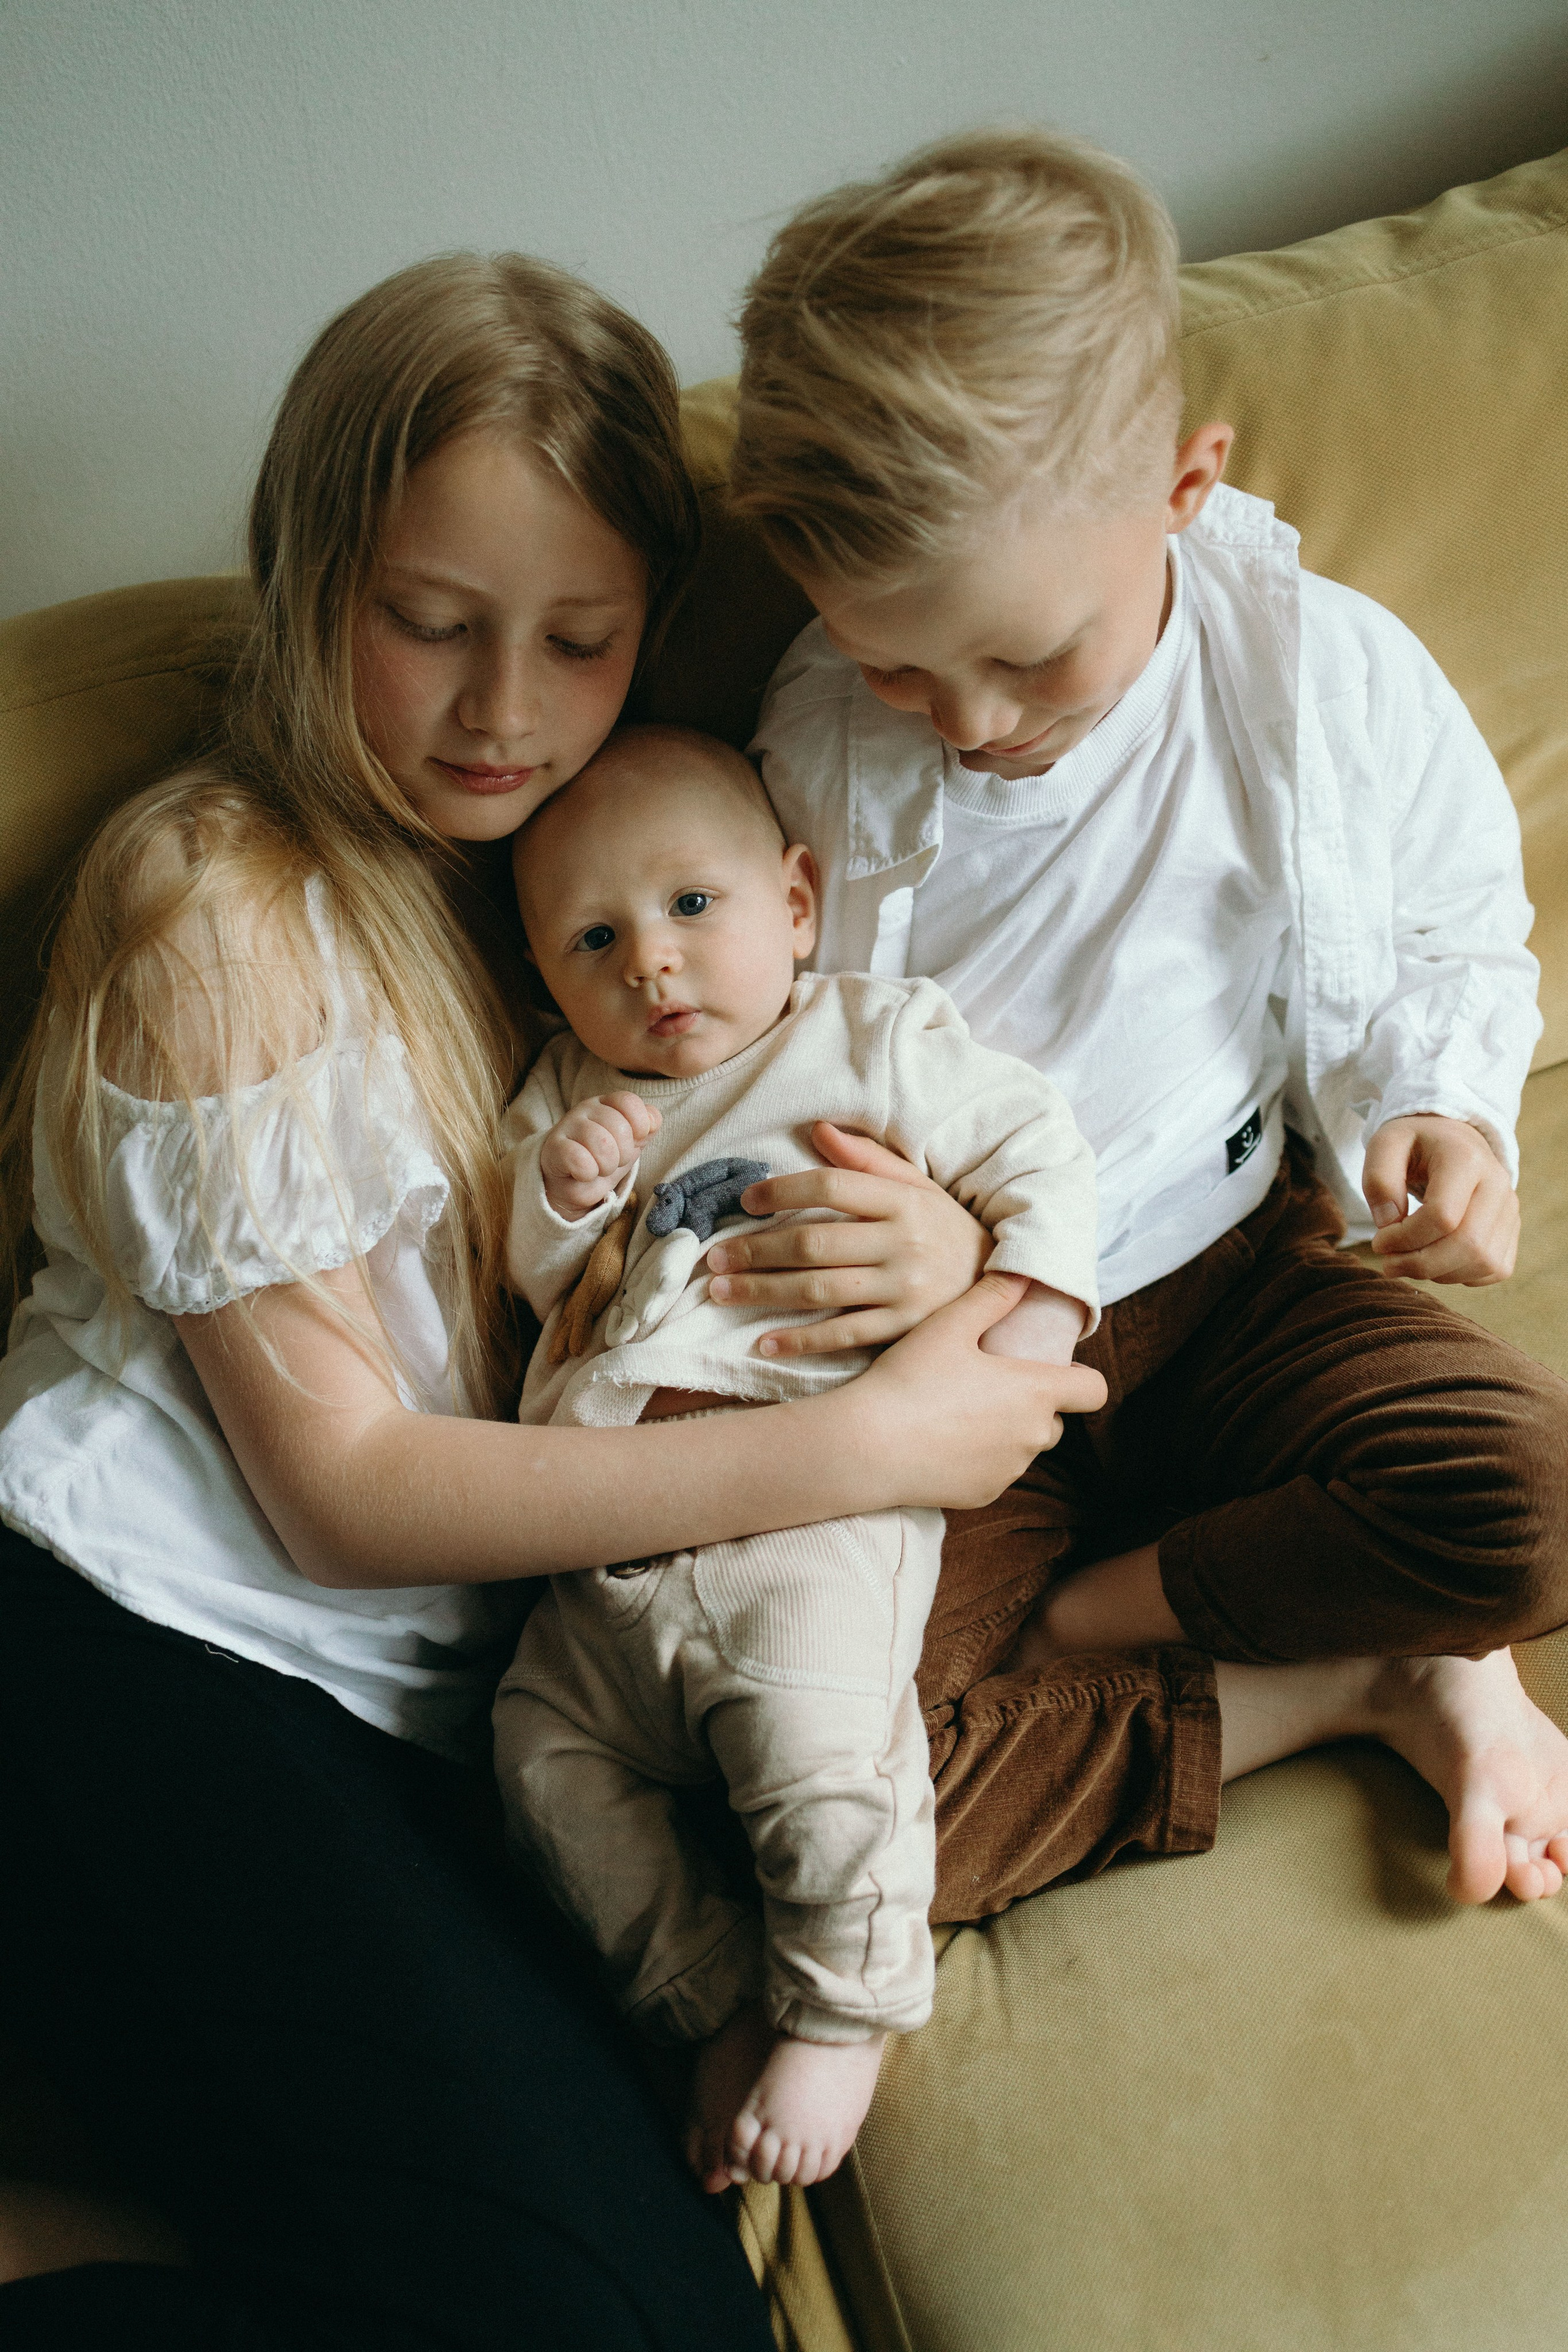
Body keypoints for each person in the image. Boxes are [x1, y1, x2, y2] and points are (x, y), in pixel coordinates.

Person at [0, 251, 1100, 2350]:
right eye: (431, 623)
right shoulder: (216, 900)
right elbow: (341, 1495)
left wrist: (952, 1254)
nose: (504, 708)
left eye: (578, 640)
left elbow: (742, 1164)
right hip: (136, 1649)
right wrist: (861, 1445)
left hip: (426, 1714)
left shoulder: (583, 879)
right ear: (308, 577)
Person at [730, 126, 1568, 1919]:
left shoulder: (1315, 675)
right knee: (827, 1824)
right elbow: (758, 1038)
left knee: (1532, 1498)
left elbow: (1451, 925)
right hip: (960, 1349)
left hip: (1230, 1270)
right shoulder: (815, 741)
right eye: (895, 660)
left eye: (1027, 656)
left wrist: (1443, 1106)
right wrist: (930, 1247)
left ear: (1186, 487)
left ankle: (1114, 1616)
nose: (969, 719)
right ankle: (1356, 1679)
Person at [491, 722, 1098, 2193]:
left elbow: (1039, 1151)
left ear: (798, 903)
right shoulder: (570, 1094)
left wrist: (1026, 1314)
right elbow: (536, 1282)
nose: (650, 961)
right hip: (604, 1541)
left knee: (823, 1759)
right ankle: (708, 1994)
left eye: (691, 905)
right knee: (536, 1760)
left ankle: (844, 2008)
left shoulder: (873, 1040)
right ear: (548, 979)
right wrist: (561, 1197)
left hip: (810, 1520)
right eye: (593, 940)